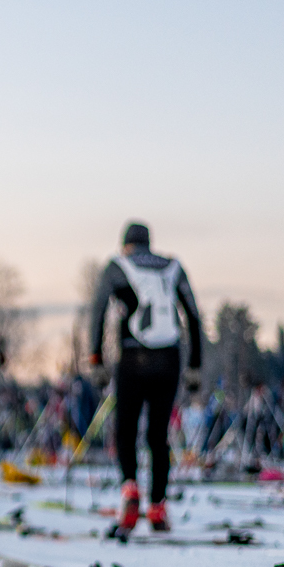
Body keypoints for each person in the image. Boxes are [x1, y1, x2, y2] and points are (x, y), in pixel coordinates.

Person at [88, 221, 203, 532]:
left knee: (125, 429)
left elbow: (98, 310)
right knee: (158, 434)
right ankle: (158, 507)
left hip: (131, 356)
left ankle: (130, 489)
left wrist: (95, 357)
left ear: (125, 243)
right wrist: (195, 365)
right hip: (169, 357)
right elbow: (193, 314)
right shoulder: (172, 266)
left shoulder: (117, 266)